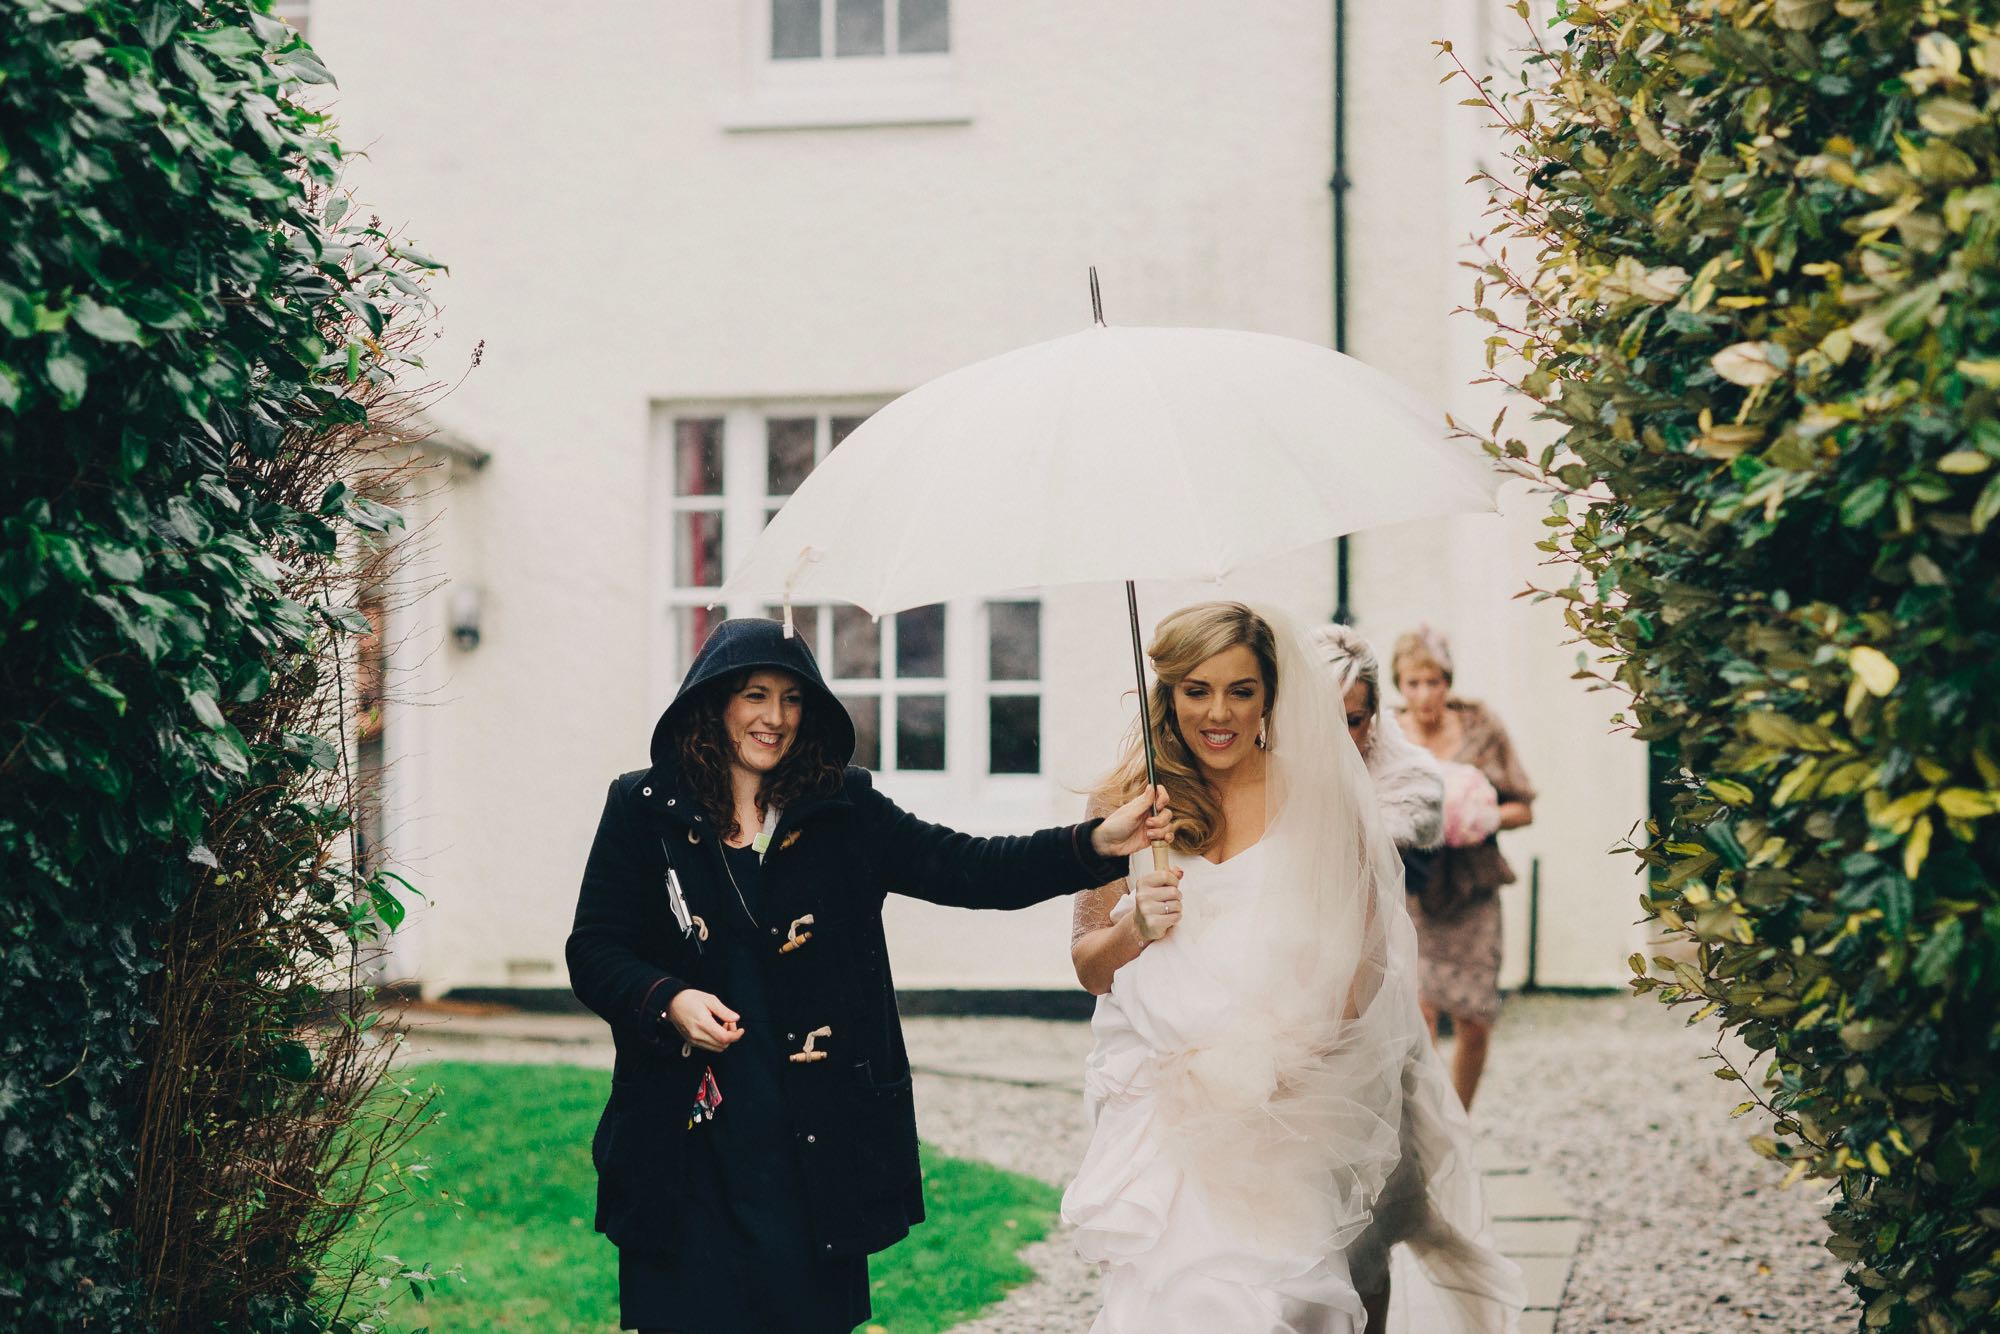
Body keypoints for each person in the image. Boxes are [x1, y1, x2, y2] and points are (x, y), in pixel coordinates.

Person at [567, 618, 1168, 1334]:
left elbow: (970, 866)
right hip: (685, 1138)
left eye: (793, 699)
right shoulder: (643, 810)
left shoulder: (842, 809)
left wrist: (1095, 843)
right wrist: (669, 999)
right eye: (755, 695)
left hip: (811, 1142)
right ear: (714, 702)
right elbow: (594, 950)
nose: (775, 717)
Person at [1063, 602, 1521, 1333]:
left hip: (1290, 1103)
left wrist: (1285, 1065)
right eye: (1197, 690)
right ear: (1169, 691)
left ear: (1271, 697)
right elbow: (1090, 967)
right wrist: (1135, 933)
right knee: (1183, 1305)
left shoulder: (1320, 796)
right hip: (1162, 1115)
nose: (1219, 713)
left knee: (1287, 1301)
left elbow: (1364, 966)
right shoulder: (1124, 801)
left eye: (1241, 691)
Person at [1392, 625, 1536, 1112]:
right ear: (1399, 685)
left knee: (1475, 1017)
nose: (1425, 694)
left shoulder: (1481, 728)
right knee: (1419, 1011)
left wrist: (1480, 817)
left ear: (1448, 682)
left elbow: (1524, 807)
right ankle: (1433, 1123)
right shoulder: (1387, 735)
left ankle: (1460, 1116)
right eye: (1414, 683)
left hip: (1472, 887)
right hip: (1412, 887)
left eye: (1434, 682)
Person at [1310, 623, 1447, 892]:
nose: (1338, 738)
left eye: (1352, 721)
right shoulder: (1264, 763)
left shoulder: (1407, 783)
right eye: (1322, 718)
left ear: (1373, 712)